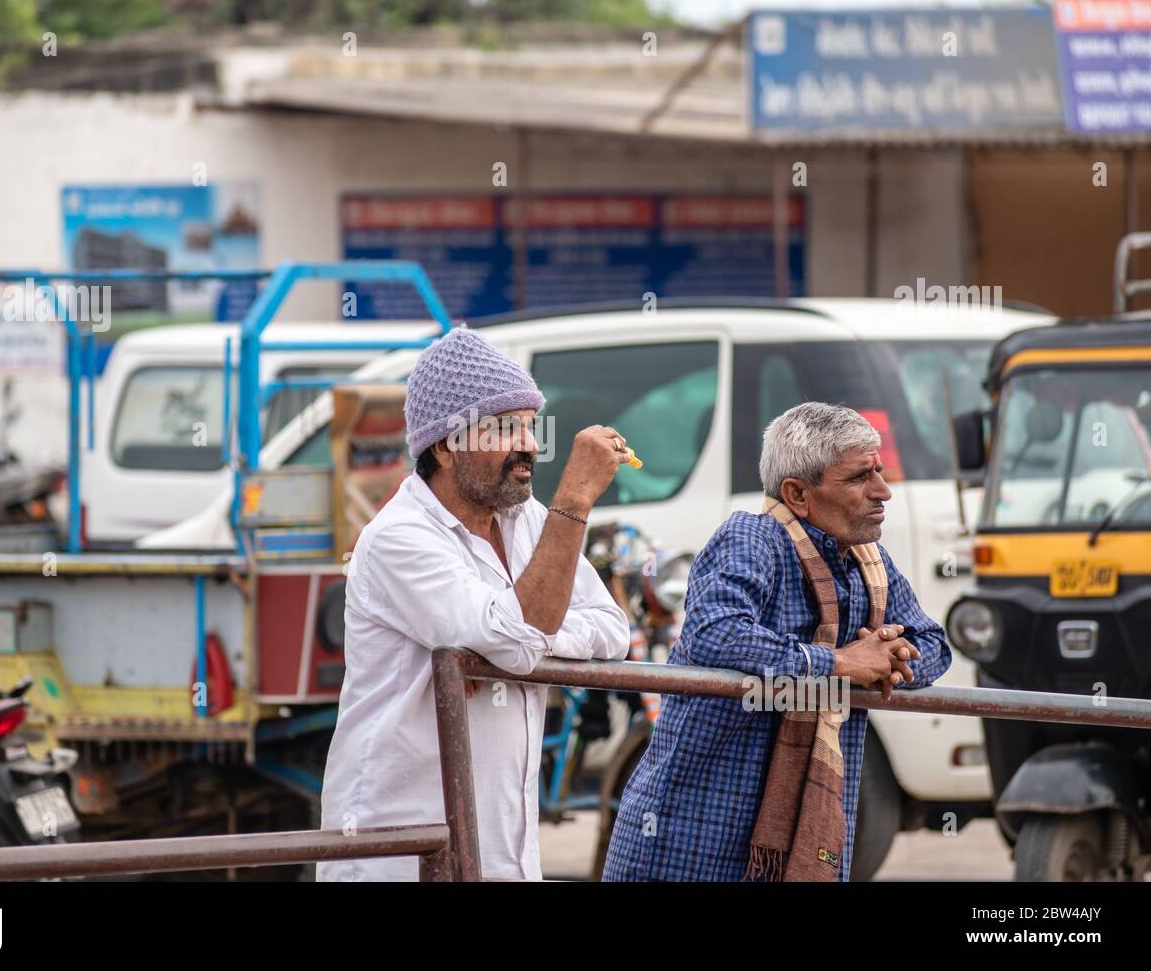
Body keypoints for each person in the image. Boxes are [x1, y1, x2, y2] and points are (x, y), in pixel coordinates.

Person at [318, 327, 631, 881]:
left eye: (531, 428)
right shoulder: (399, 538)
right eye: (506, 428)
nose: (530, 446)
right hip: (404, 856)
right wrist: (575, 499)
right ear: (446, 445)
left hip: (505, 853)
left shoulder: (528, 521)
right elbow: (513, 639)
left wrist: (531, 641)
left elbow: (611, 629)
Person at [602, 402, 951, 882]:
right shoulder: (752, 538)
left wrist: (892, 657)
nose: (883, 491)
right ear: (797, 494)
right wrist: (838, 664)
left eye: (880, 471)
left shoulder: (869, 563)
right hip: (694, 831)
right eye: (858, 478)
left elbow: (933, 643)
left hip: (806, 826)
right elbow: (714, 634)